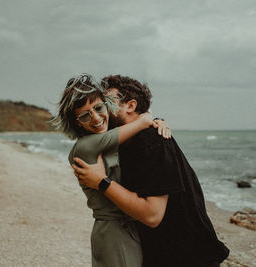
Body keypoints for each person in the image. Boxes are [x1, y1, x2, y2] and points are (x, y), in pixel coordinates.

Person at [72, 75, 230, 267]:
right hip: (164, 253)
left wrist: (102, 182)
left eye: (108, 101)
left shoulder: (152, 142)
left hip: (189, 256)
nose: (103, 108)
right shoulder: (127, 142)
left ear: (130, 106)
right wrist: (150, 118)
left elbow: (152, 215)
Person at [55, 74, 170, 267]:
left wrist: (158, 122)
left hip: (123, 229)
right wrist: (148, 120)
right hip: (113, 233)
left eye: (99, 108)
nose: (96, 118)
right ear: (77, 122)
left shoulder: (105, 139)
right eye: (85, 115)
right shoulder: (85, 147)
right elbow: (136, 126)